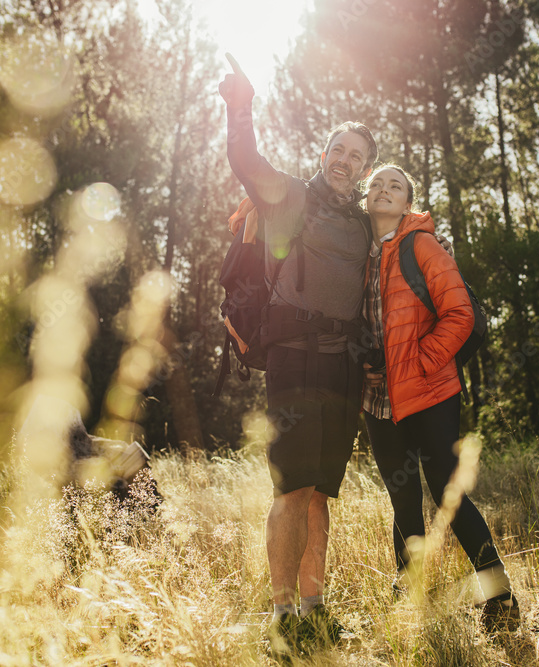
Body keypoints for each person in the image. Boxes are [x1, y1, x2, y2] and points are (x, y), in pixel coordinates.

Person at [218, 54, 377, 656]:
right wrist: (241, 108)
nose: (344, 161)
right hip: (292, 357)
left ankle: (316, 607)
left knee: (319, 493)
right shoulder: (291, 198)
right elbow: (246, 163)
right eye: (338, 150)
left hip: (341, 366)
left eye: (356, 157)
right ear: (323, 155)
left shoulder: (364, 224)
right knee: (289, 489)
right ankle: (282, 612)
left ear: (363, 170)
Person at [361, 165, 520, 633]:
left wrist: (418, 363)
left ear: (408, 202)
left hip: (431, 392)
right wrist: (365, 365)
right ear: (365, 199)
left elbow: (460, 315)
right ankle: (409, 592)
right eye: (376, 184)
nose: (384, 190)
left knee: (449, 494)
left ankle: (501, 597)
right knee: (403, 499)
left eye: (395, 186)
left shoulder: (422, 246)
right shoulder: (359, 256)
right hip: (378, 401)